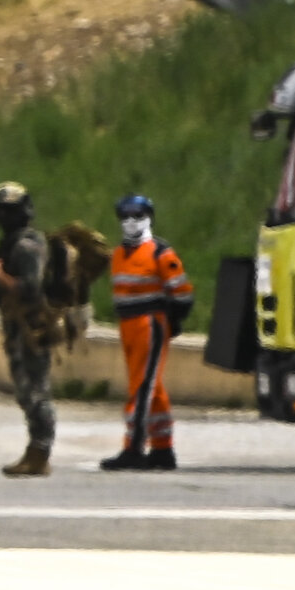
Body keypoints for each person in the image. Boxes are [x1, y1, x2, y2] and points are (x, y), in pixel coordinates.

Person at [99, 194, 193, 471]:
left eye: (137, 216)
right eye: (125, 217)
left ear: (149, 218)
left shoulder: (160, 253)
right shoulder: (118, 254)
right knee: (152, 387)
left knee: (141, 388)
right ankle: (163, 449)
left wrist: (171, 324)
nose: (130, 223)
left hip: (149, 324)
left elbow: (183, 295)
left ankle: (134, 448)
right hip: (127, 325)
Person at [0, 181, 55, 477]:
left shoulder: (27, 245)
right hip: (17, 327)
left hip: (32, 328)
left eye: (9, 211)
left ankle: (40, 451)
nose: (3, 217)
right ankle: (35, 450)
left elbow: (31, 289)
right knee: (26, 390)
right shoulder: (13, 242)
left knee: (36, 390)